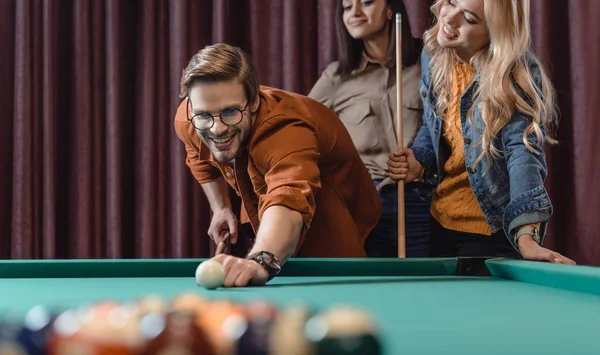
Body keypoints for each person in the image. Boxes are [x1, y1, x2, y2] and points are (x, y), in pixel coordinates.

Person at [173, 43, 382, 287]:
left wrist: (261, 261)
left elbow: (288, 197)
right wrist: (221, 207)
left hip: (331, 207)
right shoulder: (190, 118)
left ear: (253, 102)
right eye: (205, 115)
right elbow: (200, 160)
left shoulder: (285, 129)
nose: (217, 128)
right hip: (272, 212)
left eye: (230, 112)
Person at [388, 0, 576, 264]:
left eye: (468, 18)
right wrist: (418, 161)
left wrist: (526, 237)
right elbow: (437, 126)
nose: (450, 19)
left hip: (490, 231)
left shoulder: (513, 71)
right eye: (451, 2)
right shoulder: (434, 55)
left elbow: (522, 151)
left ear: (495, 33)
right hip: (440, 220)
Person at [308, 0, 434, 258]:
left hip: (426, 203)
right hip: (365, 207)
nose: (354, 12)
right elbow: (300, 130)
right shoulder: (336, 77)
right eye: (346, 6)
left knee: (424, 289)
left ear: (390, 10)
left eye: (366, 2)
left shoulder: (429, 62)